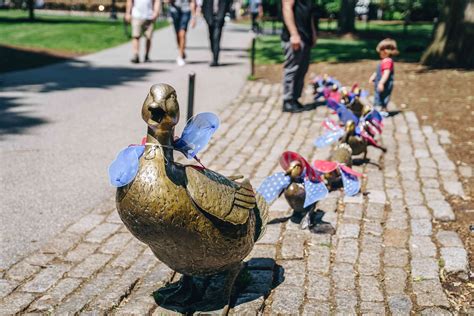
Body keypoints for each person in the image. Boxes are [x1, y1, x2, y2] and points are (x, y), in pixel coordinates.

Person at [281, 0, 317, 112]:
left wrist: (313, 33)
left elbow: (309, 14)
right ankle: (287, 100)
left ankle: (295, 98)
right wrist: (294, 34)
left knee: (302, 69)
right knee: (292, 69)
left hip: (306, 36)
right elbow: (287, 7)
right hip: (295, 36)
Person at [369, 38, 399, 111]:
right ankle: (380, 108)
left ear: (386, 51)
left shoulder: (387, 61)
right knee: (379, 95)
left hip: (385, 84)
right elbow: (379, 71)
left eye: (380, 52)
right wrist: (373, 76)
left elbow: (386, 73)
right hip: (380, 82)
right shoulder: (385, 60)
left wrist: (381, 83)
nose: (379, 54)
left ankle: (381, 109)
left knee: (382, 96)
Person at [202, 0, 232, 66]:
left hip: (219, 20)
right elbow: (204, 8)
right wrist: (207, 18)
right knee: (211, 38)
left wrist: (224, 16)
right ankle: (214, 52)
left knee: (216, 38)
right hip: (210, 20)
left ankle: (215, 59)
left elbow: (228, 7)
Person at [170, 0, 197, 66]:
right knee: (177, 34)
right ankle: (182, 51)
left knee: (182, 33)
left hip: (186, 11)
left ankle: (180, 56)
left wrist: (193, 17)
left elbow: (192, 2)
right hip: (174, 11)